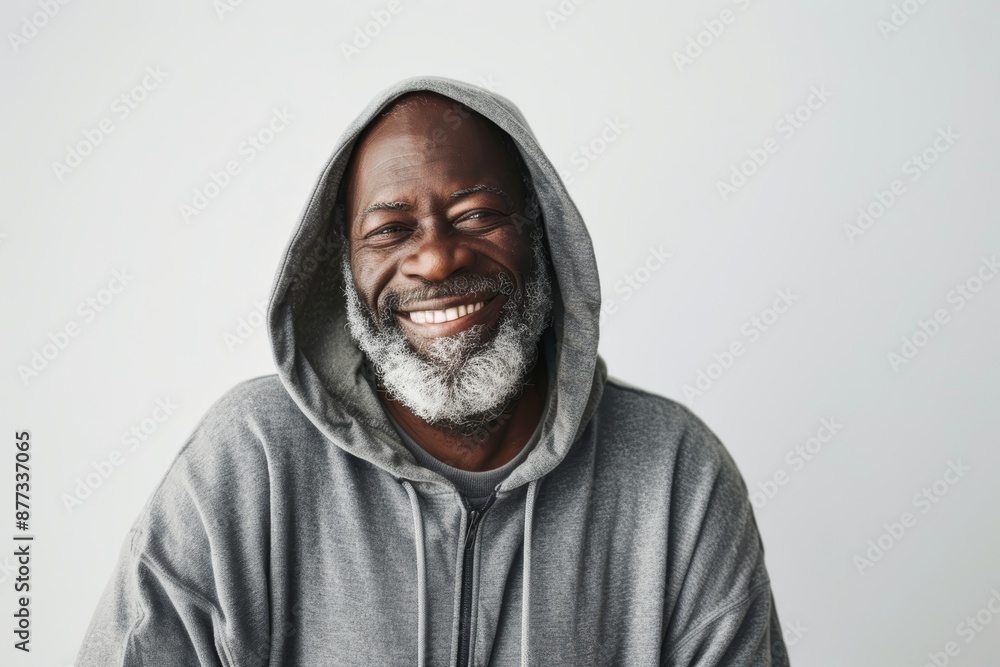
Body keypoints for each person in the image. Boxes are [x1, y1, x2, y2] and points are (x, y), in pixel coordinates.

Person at [76, 76, 790, 666]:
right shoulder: (248, 461)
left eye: (476, 215)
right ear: (345, 271)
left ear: (539, 234)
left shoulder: (674, 476)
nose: (438, 259)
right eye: (389, 230)